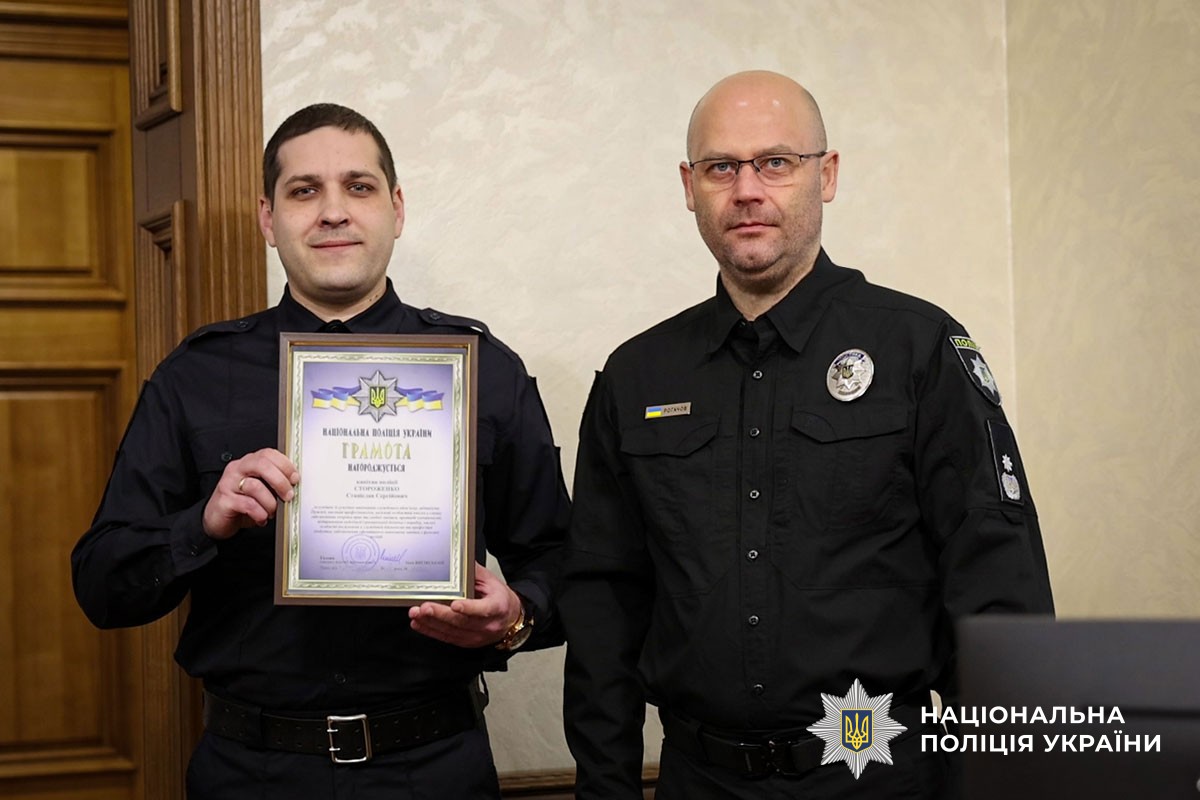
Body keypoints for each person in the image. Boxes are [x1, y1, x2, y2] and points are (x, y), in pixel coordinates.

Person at [560, 71, 1054, 799]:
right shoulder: (637, 377)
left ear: (826, 175)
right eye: (720, 167)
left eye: (776, 162)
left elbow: (998, 594)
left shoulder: (918, 349)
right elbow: (605, 611)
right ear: (689, 186)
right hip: (700, 781)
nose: (746, 190)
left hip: (880, 776)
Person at [72, 103, 571, 799]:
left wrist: (515, 616)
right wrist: (202, 524)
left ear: (396, 209)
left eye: (358, 187)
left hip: (434, 766)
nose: (333, 211)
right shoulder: (195, 377)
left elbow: (566, 564)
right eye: (304, 191)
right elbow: (101, 586)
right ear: (268, 219)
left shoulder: (484, 371)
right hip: (252, 772)